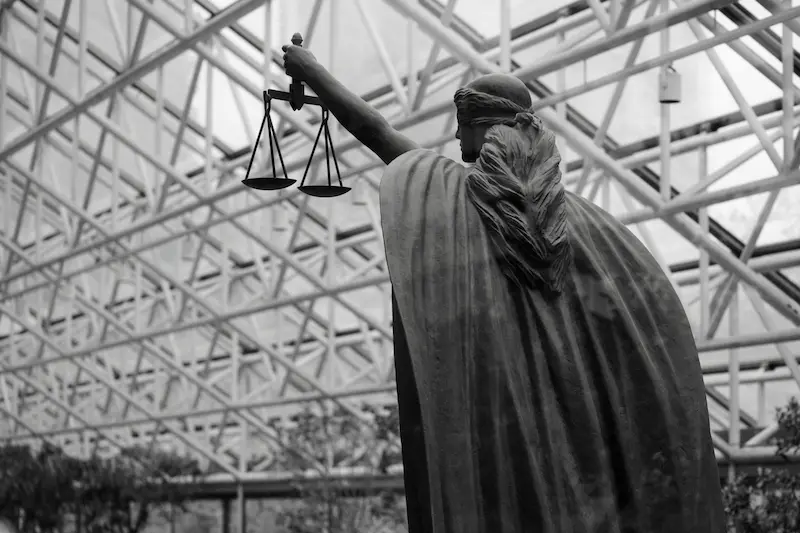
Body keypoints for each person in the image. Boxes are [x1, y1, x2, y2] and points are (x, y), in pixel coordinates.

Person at [283, 41, 726, 533]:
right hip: (586, 448)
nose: (456, 134)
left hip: (505, 427)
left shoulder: (460, 196)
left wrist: (313, 73)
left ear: (486, 129)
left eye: (463, 123)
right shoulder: (595, 232)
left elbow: (378, 132)